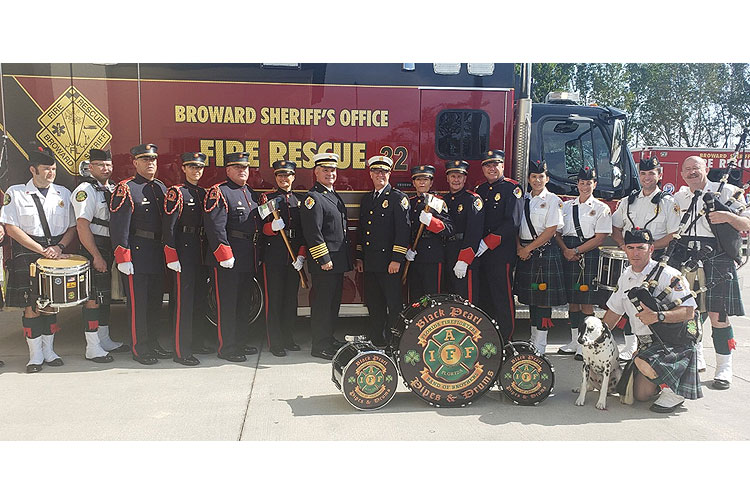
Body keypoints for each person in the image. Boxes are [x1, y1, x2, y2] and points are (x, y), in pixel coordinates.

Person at [670, 155, 750, 390]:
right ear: (682, 174)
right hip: (686, 256)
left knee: (718, 315)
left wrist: (727, 216)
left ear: (706, 169)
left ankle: (724, 366)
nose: (692, 172)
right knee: (690, 313)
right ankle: (697, 354)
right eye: (687, 169)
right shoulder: (678, 197)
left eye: (696, 168)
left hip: (716, 255)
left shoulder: (728, 192)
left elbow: (746, 223)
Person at [603, 228, 702, 413]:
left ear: (651, 249)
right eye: (630, 248)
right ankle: (663, 377)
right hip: (646, 344)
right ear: (624, 249)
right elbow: (614, 312)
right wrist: (595, 339)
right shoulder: (626, 276)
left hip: (672, 341)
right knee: (639, 395)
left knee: (642, 360)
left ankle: (673, 390)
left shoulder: (669, 275)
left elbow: (689, 312)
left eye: (641, 247)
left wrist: (658, 316)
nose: (635, 253)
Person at [0, 145, 77, 372]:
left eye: (53, 168)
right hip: (28, 252)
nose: (51, 173)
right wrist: (42, 250)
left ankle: (50, 352)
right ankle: (35, 356)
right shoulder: (15, 193)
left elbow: (72, 227)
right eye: (46, 169)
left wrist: (59, 246)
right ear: (33, 169)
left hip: (56, 250)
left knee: (51, 305)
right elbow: (11, 228)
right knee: (31, 306)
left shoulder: (63, 193)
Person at [612, 156, 680, 361]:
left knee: (653, 304)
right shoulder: (628, 201)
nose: (647, 177)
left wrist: (648, 249)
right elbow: (615, 227)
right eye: (643, 173)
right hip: (632, 259)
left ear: (659, 175)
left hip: (657, 260)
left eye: (652, 173)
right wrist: (625, 247)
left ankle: (656, 345)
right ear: (639, 175)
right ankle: (631, 345)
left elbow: (674, 234)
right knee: (628, 300)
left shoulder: (669, 202)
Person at [110, 143, 171, 365]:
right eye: (145, 160)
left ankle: (153, 343)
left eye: (153, 160)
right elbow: (118, 226)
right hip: (136, 254)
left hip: (156, 254)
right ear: (135, 163)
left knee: (155, 303)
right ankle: (140, 348)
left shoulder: (161, 188)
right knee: (138, 306)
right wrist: (123, 258)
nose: (150, 164)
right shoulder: (126, 188)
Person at [71, 148, 129, 363]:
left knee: (104, 297)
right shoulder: (85, 190)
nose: (106, 169)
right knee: (93, 299)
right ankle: (92, 347)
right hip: (94, 245)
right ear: (91, 167)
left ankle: (104, 340)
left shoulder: (112, 188)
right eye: (100, 165)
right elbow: (82, 225)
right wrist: (95, 255)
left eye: (108, 165)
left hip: (110, 245)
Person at [203, 151, 261, 362]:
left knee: (243, 303)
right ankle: (226, 348)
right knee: (227, 305)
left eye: (245, 167)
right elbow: (215, 227)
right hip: (228, 260)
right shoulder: (220, 192)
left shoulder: (251, 193)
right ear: (228, 170)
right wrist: (224, 254)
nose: (242, 171)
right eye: (237, 167)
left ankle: (240, 342)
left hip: (247, 258)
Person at [300, 152, 352, 360]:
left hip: (336, 262)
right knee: (322, 304)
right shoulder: (313, 198)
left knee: (333, 303)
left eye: (332, 170)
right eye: (325, 170)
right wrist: (323, 259)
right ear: (316, 172)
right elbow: (313, 232)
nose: (330, 173)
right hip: (326, 263)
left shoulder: (332, 194)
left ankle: (328, 338)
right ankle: (319, 345)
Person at [554, 166, 612, 356]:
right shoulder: (567, 206)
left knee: (586, 302)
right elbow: (557, 232)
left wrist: (576, 250)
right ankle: (573, 341)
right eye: (582, 183)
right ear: (577, 184)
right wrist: (566, 251)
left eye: (589, 183)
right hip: (568, 252)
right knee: (572, 301)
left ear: (594, 184)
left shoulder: (601, 208)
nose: (585, 186)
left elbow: (600, 238)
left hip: (588, 253)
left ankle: (585, 344)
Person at [163, 152, 213, 366]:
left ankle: (198, 342)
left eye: (199, 167)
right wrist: (172, 255)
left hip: (200, 253)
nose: (196, 170)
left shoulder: (203, 193)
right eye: (191, 167)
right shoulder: (177, 193)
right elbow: (169, 227)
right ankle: (181, 350)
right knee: (184, 303)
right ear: (183, 169)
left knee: (200, 301)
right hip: (183, 254)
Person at [354, 155, 410, 347]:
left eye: (384, 172)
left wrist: (396, 259)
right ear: (371, 174)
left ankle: (395, 341)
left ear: (389, 174)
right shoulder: (367, 199)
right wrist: (360, 257)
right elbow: (362, 231)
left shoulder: (397, 198)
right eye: (376, 171)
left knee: (394, 305)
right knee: (374, 303)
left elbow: (403, 232)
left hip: (389, 264)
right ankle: (376, 337)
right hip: (371, 263)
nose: (380, 175)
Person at [514, 160, 566, 355]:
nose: (537, 180)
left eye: (541, 177)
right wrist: (520, 247)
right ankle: (533, 338)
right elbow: (515, 225)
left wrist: (529, 249)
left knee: (543, 299)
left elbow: (552, 229)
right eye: (534, 177)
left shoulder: (553, 200)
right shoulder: (522, 199)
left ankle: (541, 344)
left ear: (547, 178)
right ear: (529, 179)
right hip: (525, 251)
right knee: (530, 299)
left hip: (543, 252)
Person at [473, 150, 523, 341]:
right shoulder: (480, 190)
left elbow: (512, 222)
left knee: (502, 296)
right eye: (487, 165)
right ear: (483, 169)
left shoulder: (513, 189)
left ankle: (506, 336)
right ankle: (488, 334)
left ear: (503, 166)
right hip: (481, 253)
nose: (492, 169)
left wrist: (487, 242)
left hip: (501, 253)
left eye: (495, 164)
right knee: (484, 296)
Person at [259, 160, 306, 357]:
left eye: (287, 175)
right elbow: (260, 227)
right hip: (274, 256)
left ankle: (288, 337)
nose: (283, 179)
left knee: (290, 300)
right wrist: (272, 228)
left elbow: (305, 232)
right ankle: (275, 341)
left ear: (293, 177)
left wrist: (301, 256)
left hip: (293, 257)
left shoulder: (300, 201)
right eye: (280, 175)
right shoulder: (267, 199)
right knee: (275, 300)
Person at [404, 164, 453, 300]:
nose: (422, 183)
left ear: (431, 182)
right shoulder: (409, 202)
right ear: (413, 182)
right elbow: (404, 229)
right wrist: (408, 249)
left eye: (425, 180)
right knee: (414, 296)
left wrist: (431, 222)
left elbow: (449, 229)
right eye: (418, 180)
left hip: (432, 257)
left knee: (432, 296)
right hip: (413, 255)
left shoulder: (437, 202)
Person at [443, 160, 484, 303]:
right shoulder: (444, 200)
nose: (456, 180)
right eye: (453, 176)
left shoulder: (472, 200)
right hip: (448, 253)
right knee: (450, 297)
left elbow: (474, 232)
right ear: (447, 178)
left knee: (466, 299)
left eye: (459, 177)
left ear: (465, 178)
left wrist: (464, 260)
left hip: (465, 253)